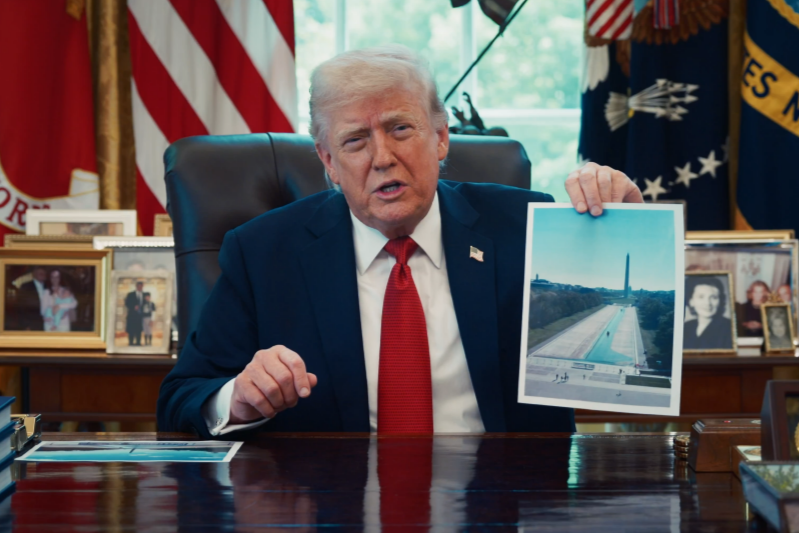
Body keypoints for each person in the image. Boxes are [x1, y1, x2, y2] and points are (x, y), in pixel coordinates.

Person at [157, 45, 644, 438]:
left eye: (400, 129)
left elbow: (635, 344)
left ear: (440, 138)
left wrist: (623, 223)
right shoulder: (264, 252)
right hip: (331, 508)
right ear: (328, 161)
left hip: (503, 503)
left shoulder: (525, 228)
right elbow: (181, 398)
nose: (382, 157)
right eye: (355, 141)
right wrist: (239, 398)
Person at [683, 276, 733, 350]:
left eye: (713, 297)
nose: (708, 303)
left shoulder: (729, 328)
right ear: (691, 301)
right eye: (701, 297)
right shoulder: (686, 327)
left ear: (720, 301)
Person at [15, 266, 47, 331]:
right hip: (32, 324)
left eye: (44, 274)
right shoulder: (25, 287)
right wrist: (26, 325)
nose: (42, 275)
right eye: (40, 273)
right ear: (34, 274)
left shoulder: (49, 286)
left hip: (48, 323)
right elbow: (20, 307)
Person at [125, 281, 145, 346]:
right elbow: (127, 303)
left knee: (139, 330)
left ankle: (138, 342)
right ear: (136, 286)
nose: (140, 287)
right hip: (132, 316)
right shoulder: (131, 294)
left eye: (141, 286)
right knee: (131, 330)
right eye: (139, 286)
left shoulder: (144, 295)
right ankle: (131, 342)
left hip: (140, 316)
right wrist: (133, 307)